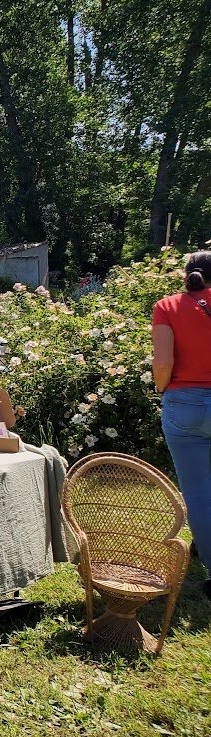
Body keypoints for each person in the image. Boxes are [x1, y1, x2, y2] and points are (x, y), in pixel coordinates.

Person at [151, 250, 211, 599]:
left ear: (186, 274)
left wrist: (163, 389)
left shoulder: (168, 306)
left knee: (199, 492)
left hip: (185, 404)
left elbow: (163, 362)